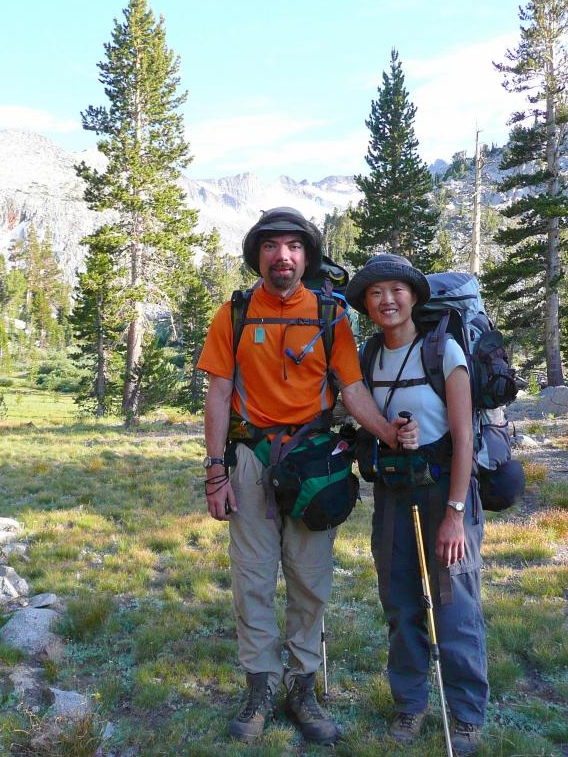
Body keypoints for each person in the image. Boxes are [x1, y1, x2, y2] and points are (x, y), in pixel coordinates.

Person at [197, 208, 417, 745]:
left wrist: (388, 433)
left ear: (307, 256)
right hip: (249, 457)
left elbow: (353, 389)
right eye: (271, 246)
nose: (282, 256)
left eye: (293, 247)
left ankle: (302, 686)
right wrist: (214, 470)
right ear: (258, 256)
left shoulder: (330, 313)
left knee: (310, 580)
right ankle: (260, 686)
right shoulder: (235, 312)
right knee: (252, 578)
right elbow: (220, 393)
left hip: (315, 460)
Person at [345, 254, 488, 754]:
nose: (387, 300)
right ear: (366, 304)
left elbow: (465, 437)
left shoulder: (443, 351)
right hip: (393, 487)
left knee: (454, 600)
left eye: (396, 291)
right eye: (375, 293)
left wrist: (454, 515)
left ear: (414, 297)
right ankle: (410, 704)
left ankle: (466, 713)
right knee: (400, 597)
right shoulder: (368, 356)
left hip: (446, 484)